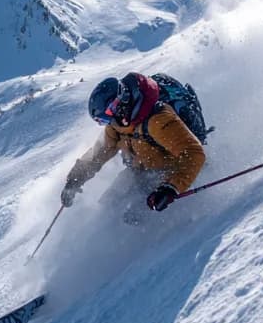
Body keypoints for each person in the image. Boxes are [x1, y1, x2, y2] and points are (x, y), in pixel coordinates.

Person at [61, 72, 206, 223]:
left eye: (109, 114)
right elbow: (99, 153)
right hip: (140, 172)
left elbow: (194, 153)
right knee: (106, 207)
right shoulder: (118, 125)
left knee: (132, 218)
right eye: (103, 120)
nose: (109, 121)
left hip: (171, 175)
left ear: (121, 102)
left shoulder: (157, 120)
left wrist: (170, 188)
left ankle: (157, 241)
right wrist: (74, 180)